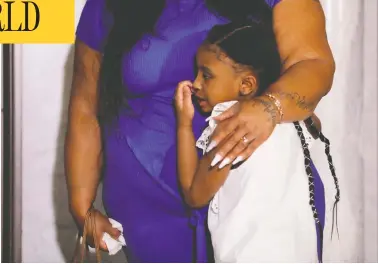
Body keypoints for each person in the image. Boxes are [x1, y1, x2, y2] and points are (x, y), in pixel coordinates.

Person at [65, 0, 336, 262]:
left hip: (255, 206)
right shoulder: (112, 4)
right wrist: (82, 207)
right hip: (150, 217)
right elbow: (85, 106)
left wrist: (269, 106)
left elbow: (313, 62)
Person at [175, 21, 339, 262]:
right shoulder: (290, 116)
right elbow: (315, 125)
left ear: (246, 85)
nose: (196, 84)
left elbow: (194, 193)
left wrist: (184, 125)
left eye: (206, 75)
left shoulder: (230, 126)